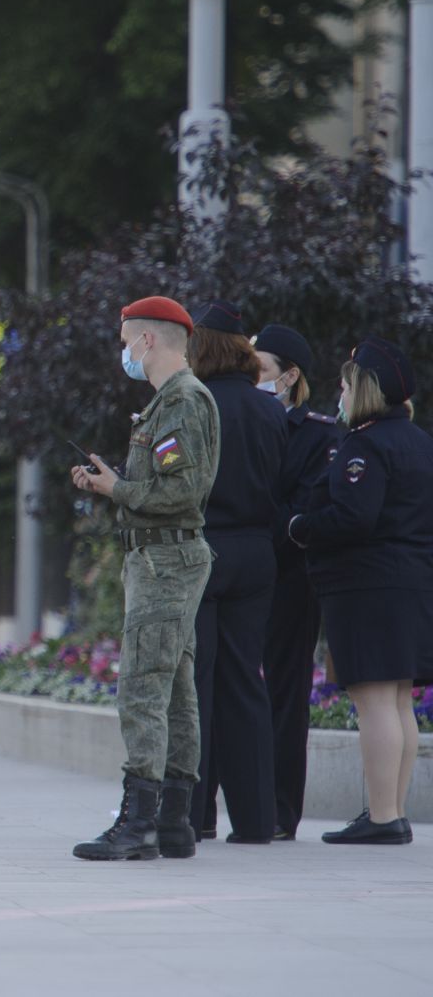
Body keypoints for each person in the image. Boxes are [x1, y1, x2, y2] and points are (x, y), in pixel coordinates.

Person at [69, 295, 219, 861]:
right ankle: (175, 822)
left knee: (142, 687)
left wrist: (117, 490)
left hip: (165, 560)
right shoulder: (169, 402)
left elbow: (182, 492)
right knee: (176, 688)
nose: (123, 351)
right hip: (163, 557)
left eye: (126, 339)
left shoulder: (181, 400)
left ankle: (139, 825)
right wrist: (115, 483)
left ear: (148, 341)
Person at [289, 338, 433, 845]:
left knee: (374, 701)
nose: (340, 392)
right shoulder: (418, 441)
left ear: (365, 390)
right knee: (398, 703)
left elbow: (354, 516)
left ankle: (382, 816)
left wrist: (302, 525)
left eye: (346, 383)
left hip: (369, 586)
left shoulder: (365, 444)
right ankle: (391, 810)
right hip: (410, 583)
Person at [186, 300, 286, 844]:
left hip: (202, 549)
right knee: (246, 681)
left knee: (196, 682)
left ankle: (195, 813)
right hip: (257, 552)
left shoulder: (192, 404)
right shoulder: (271, 409)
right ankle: (255, 820)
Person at [254, 322, 341, 839]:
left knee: (285, 694)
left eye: (261, 371)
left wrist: (259, 519)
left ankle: (281, 809)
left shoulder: (318, 433)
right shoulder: (242, 420)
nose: (253, 380)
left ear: (289, 377)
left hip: (290, 577)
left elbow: (307, 507)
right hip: (245, 574)